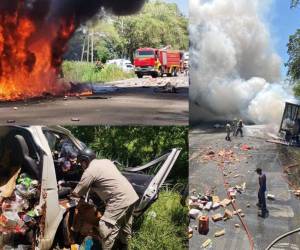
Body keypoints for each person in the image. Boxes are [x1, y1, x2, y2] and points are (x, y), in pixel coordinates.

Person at [72, 149, 139, 250]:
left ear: (85, 161)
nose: (81, 166)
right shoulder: (106, 162)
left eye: (81, 163)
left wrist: (69, 189)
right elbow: (105, 182)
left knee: (105, 230)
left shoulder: (90, 171)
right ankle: (124, 247)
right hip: (131, 196)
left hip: (118, 199)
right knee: (123, 229)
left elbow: (78, 192)